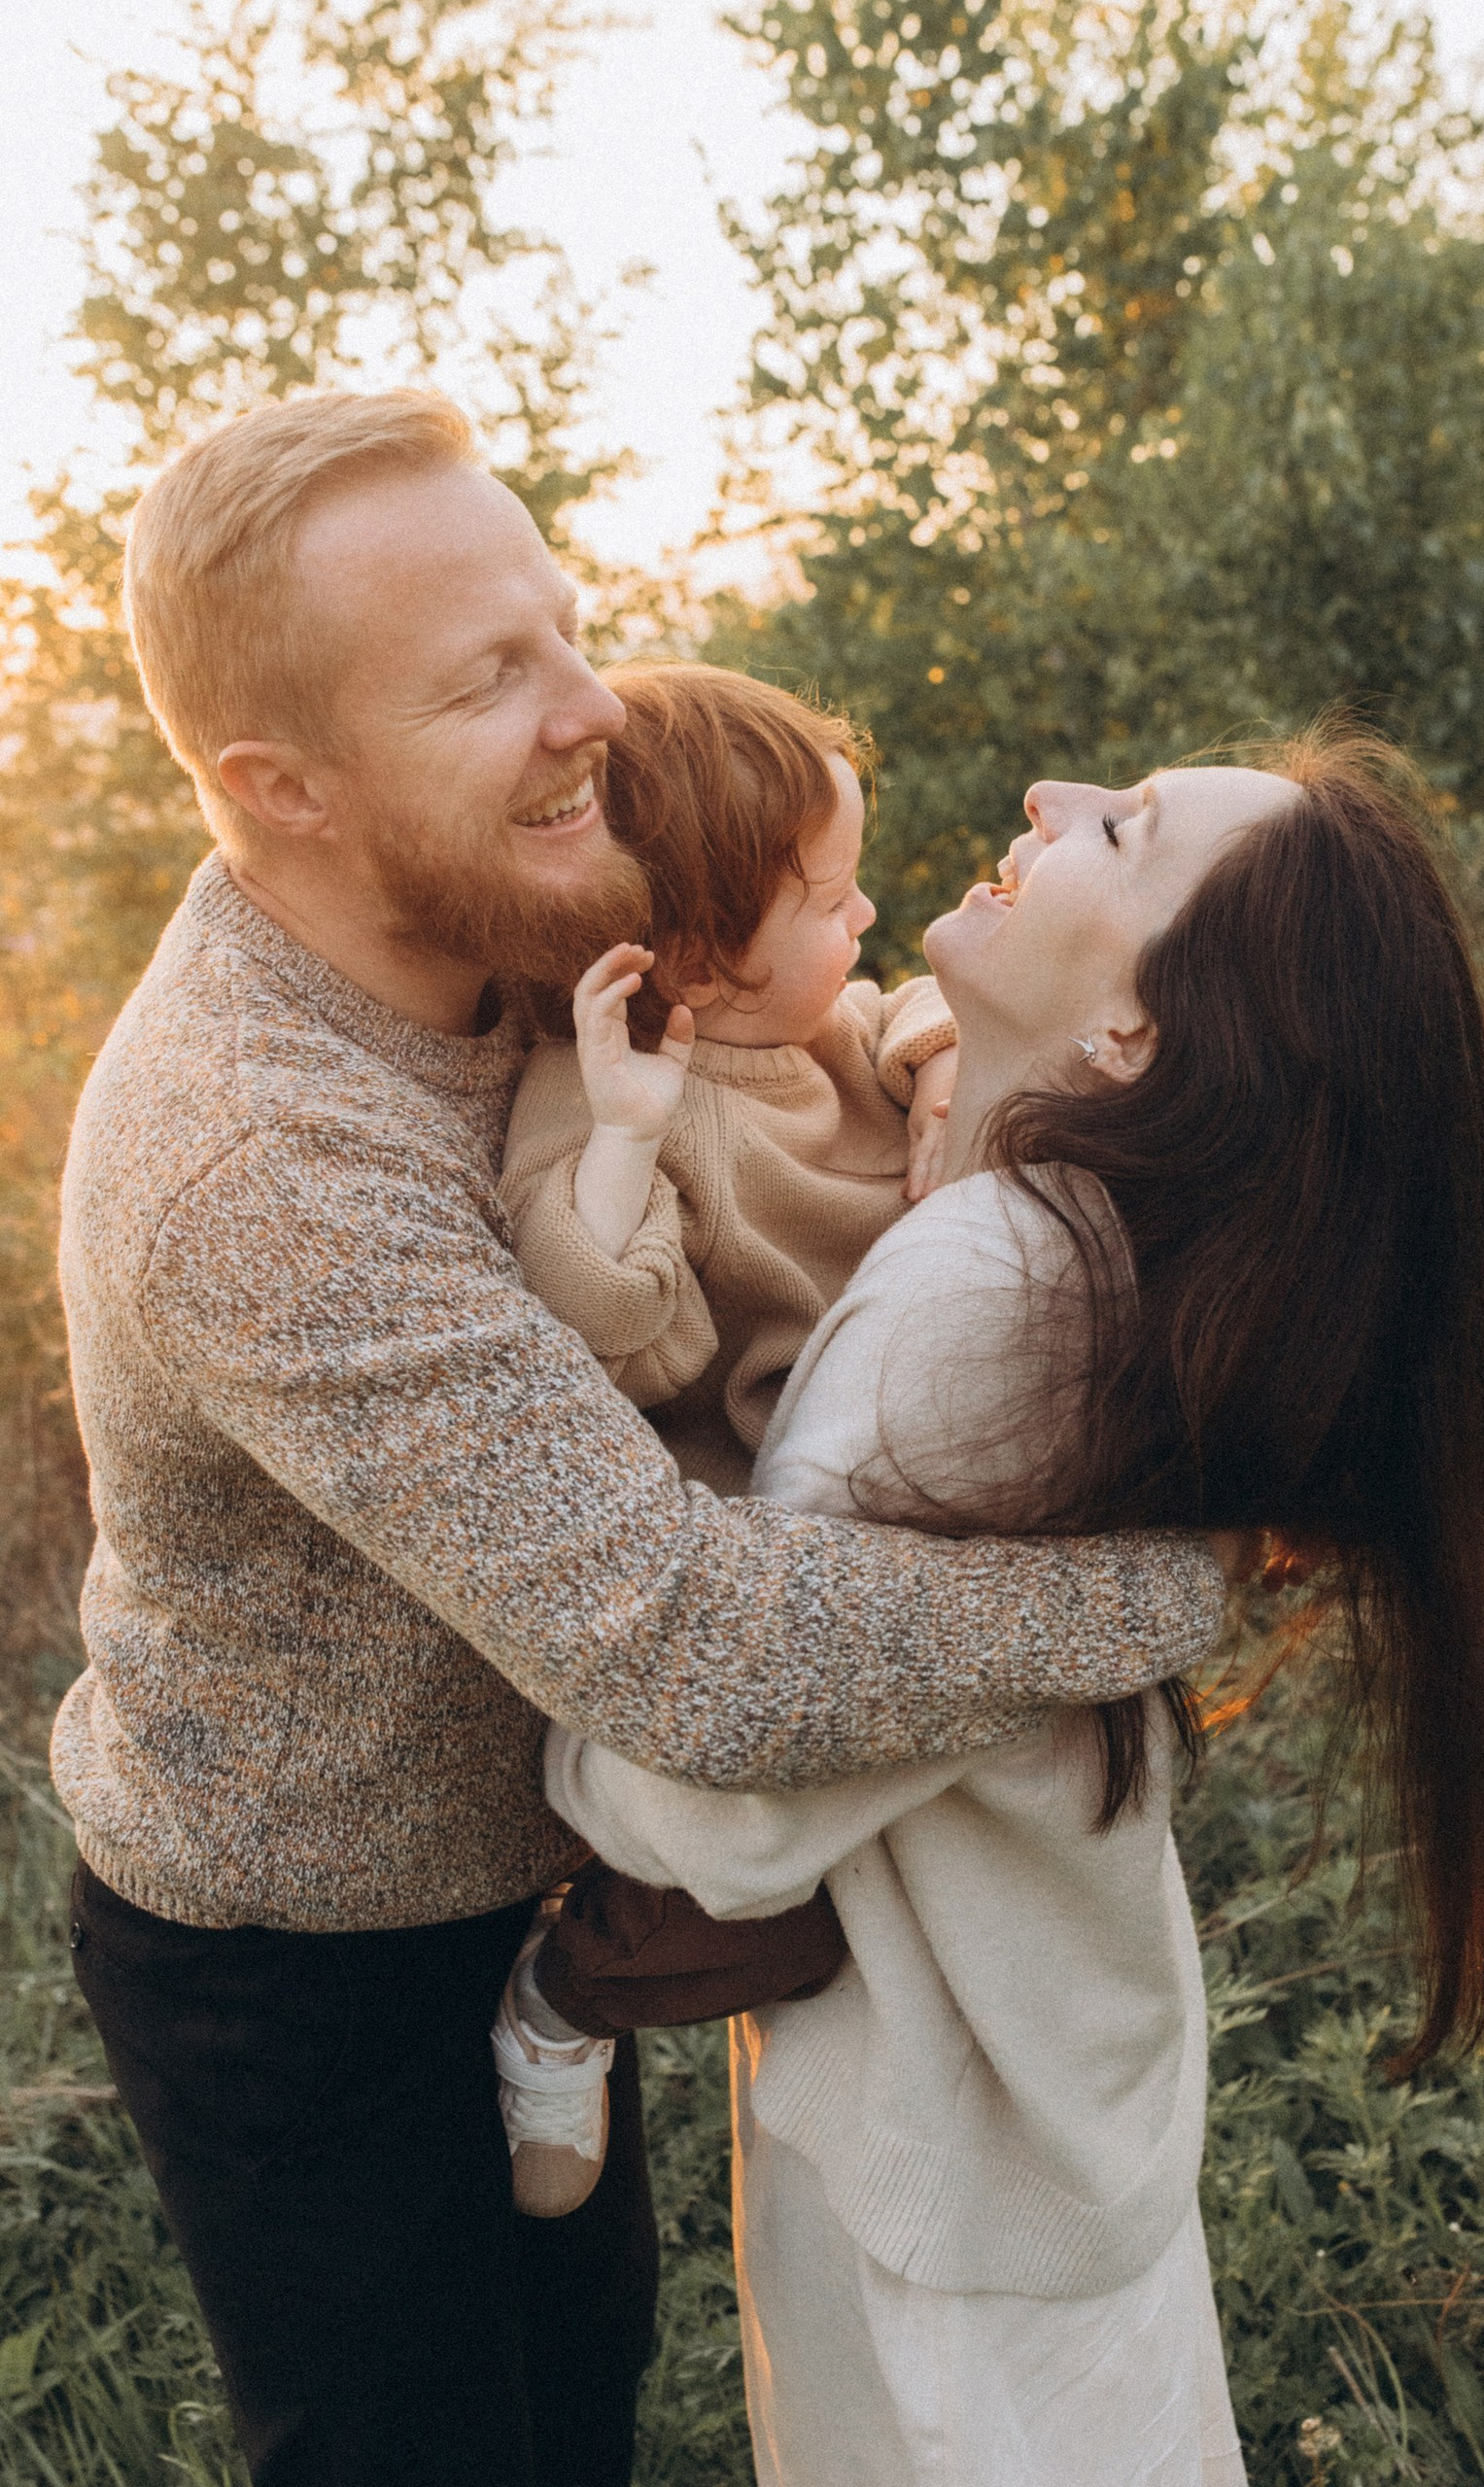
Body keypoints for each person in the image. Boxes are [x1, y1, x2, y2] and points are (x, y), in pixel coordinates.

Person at [51, 387, 1226, 2487]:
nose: (592, 706)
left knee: (574, 2397)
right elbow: (683, 1642)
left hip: (528, 1865)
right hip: (305, 1949)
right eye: (489, 675)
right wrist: (1183, 1579)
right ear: (280, 788)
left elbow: (779, 1028)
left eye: (564, 628)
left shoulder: (504, 916)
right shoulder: (254, 1169)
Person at [536, 739, 1484, 2485]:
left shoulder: (984, 1297)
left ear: (1137, 1039)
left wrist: (575, 1754)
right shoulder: (1075, 1249)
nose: (1048, 804)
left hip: (949, 2203)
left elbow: (719, 1800)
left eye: (1126, 830)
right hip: (1041, 2119)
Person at [491, 661, 960, 2212]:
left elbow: (923, 1001)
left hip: (882, 1507)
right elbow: (593, 1322)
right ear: (694, 950)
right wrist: (626, 1139)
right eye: (829, 896)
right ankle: (569, 1996)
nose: (867, 919)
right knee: (762, 1905)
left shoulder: (825, 1026)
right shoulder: (617, 1093)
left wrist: (941, 1048)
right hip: (743, 1570)